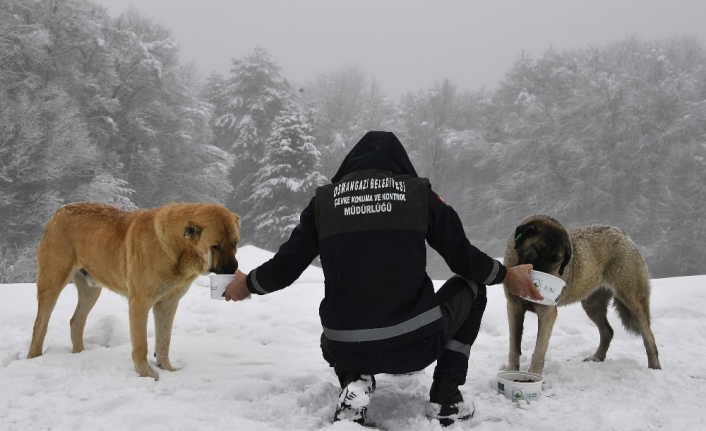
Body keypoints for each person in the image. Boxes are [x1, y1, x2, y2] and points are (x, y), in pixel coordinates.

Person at [225, 131, 541, 427]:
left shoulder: (324, 202)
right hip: (416, 344)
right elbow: (463, 258)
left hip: (345, 349)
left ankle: (355, 380)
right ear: (400, 164)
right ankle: (447, 398)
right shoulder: (417, 194)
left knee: (337, 327)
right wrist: (504, 274)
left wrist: (247, 283)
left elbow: (285, 267)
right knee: (473, 287)